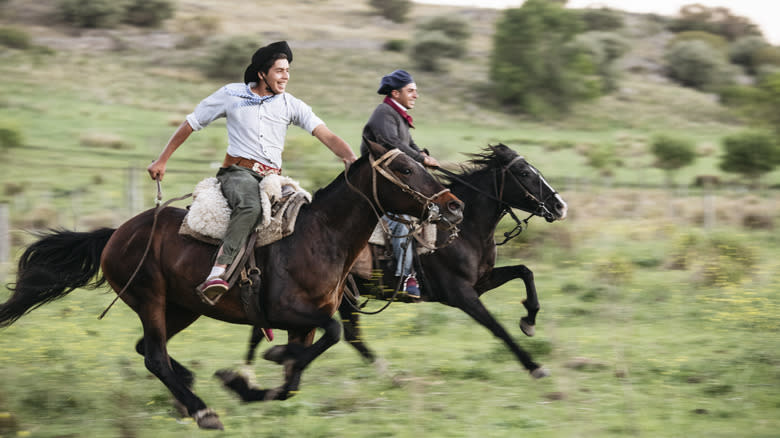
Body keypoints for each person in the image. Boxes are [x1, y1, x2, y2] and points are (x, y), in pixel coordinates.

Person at [147, 41, 358, 299]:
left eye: (288, 71)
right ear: (262, 74)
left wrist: (349, 157)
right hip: (238, 173)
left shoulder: (291, 105)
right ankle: (218, 271)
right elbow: (192, 123)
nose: (286, 76)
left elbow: (325, 134)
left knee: (305, 217)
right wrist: (162, 160)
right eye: (280, 70)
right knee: (250, 207)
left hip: (273, 178)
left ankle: (272, 287)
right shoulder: (231, 95)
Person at [360, 69, 439, 299]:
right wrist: (421, 159)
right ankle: (406, 278)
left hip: (395, 178)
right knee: (400, 222)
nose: (416, 95)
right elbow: (392, 144)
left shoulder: (397, 114)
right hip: (379, 182)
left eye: (416, 91)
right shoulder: (384, 113)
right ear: (395, 93)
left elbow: (409, 146)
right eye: (411, 91)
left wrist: (422, 155)